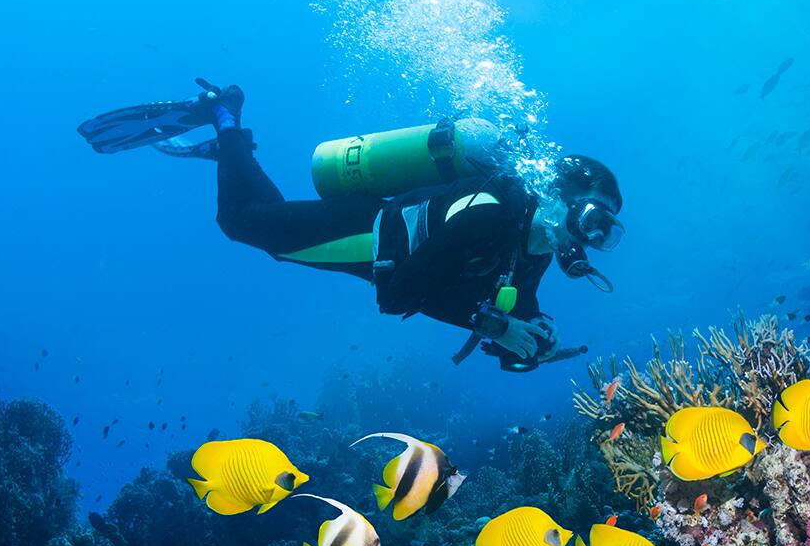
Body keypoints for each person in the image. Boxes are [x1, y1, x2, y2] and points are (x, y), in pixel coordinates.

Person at [78, 79, 625, 371]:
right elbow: (401, 293)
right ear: (559, 197)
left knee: (268, 230)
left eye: (605, 232)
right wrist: (490, 324)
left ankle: (230, 150)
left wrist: (532, 342)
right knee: (240, 222)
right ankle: (225, 118)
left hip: (374, 239)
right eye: (592, 219)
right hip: (367, 235)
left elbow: (507, 307)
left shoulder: (533, 248)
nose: (591, 239)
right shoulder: (492, 212)